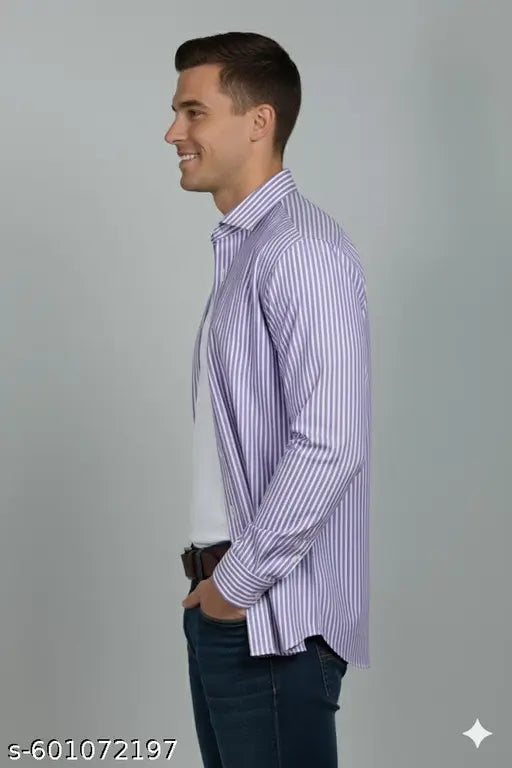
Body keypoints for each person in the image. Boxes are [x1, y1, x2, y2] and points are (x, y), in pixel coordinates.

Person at [164, 31, 371, 768]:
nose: (173, 133)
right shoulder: (248, 251)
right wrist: (218, 594)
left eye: (194, 112)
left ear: (259, 122)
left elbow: (332, 442)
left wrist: (237, 584)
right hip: (232, 609)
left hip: (270, 620)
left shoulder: (299, 251)